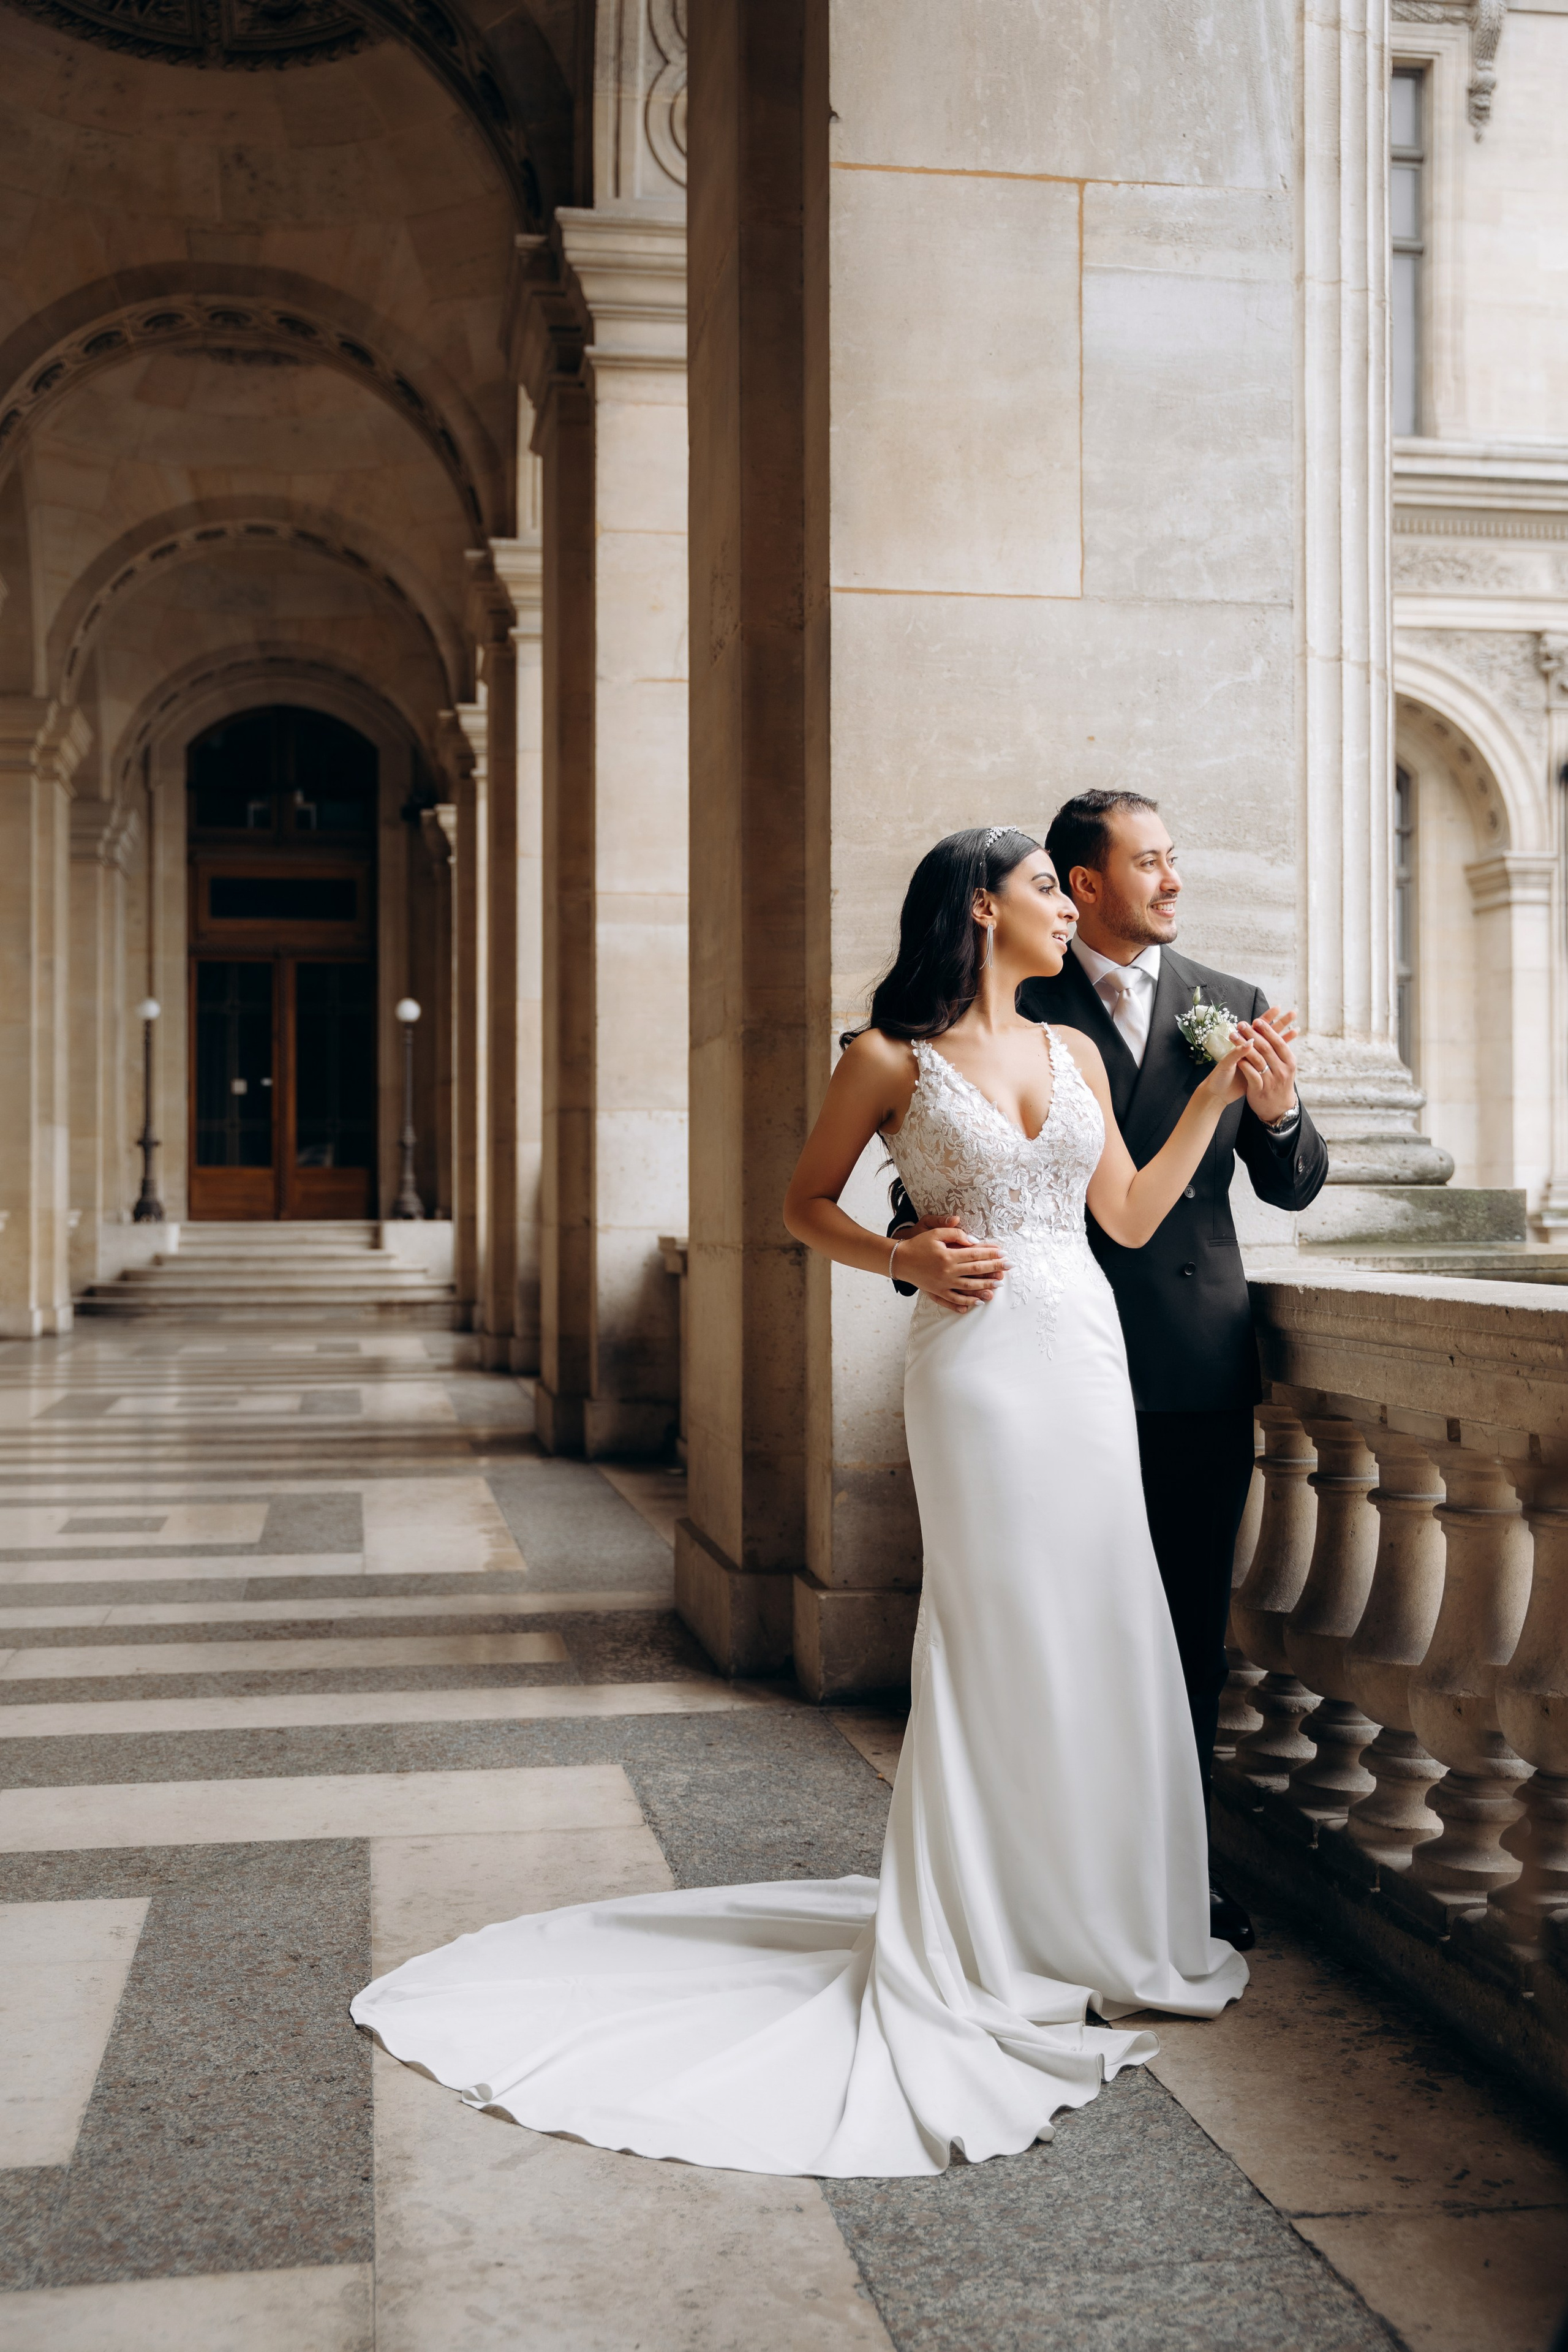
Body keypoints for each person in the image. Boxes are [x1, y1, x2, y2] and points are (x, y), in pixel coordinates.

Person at [352, 824, 1257, 2179]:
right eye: (1036, 894)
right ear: (978, 904)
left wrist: (1211, 1097)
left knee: (1104, 1625)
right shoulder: (886, 1057)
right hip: (979, 1374)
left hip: (1081, 1362)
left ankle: (1102, 1920)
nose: (1063, 914)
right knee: (1001, 1631)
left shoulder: (1072, 1054)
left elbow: (1123, 1218)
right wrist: (901, 1249)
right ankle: (989, 1926)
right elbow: (798, 1205)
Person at [893, 791, 1329, 1953]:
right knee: (1034, 1622)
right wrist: (919, 1264)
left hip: (1185, 1365)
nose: (1174, 882)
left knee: (1172, 1627)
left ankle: (1167, 1877)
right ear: (1081, 886)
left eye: (1176, 860)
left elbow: (1291, 1182)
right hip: (1026, 1368)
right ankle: (1031, 1879)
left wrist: (1275, 1114)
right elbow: (931, 1177)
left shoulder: (1228, 1008)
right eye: (1150, 863)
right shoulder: (1011, 995)